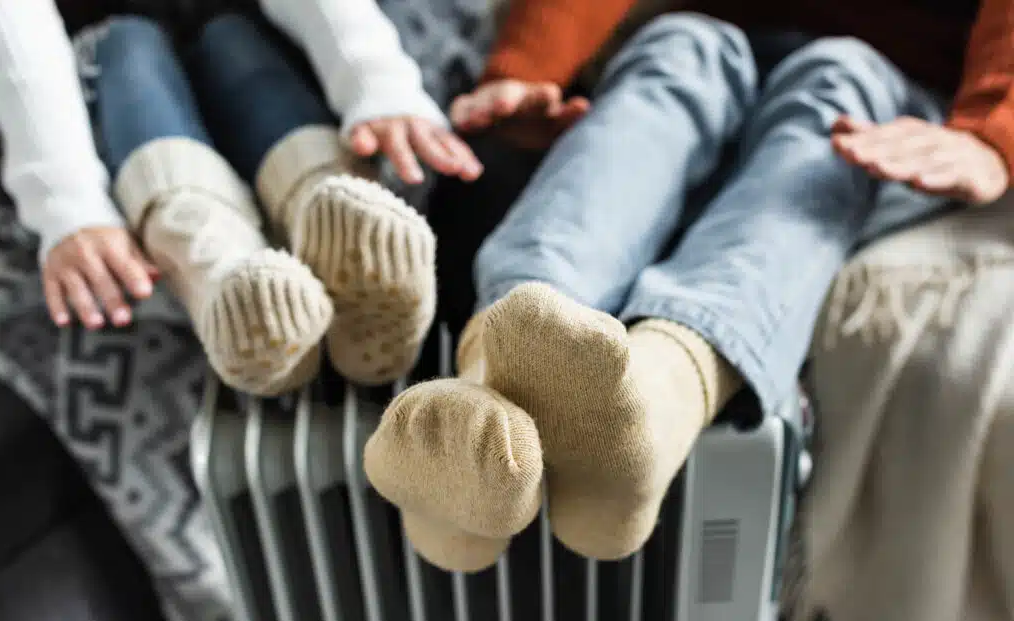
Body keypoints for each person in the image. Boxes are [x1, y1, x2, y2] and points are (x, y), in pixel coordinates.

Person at [364, 0, 1014, 572]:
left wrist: (992, 132)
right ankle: (484, 393)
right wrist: (526, 73)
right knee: (678, 51)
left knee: (839, 79)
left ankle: (657, 398)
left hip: (892, 94)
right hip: (721, 37)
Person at [0, 0, 482, 397]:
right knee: (128, 51)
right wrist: (69, 203)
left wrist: (379, 90)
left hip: (244, 23)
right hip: (100, 46)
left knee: (235, 46)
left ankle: (334, 214)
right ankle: (225, 276)